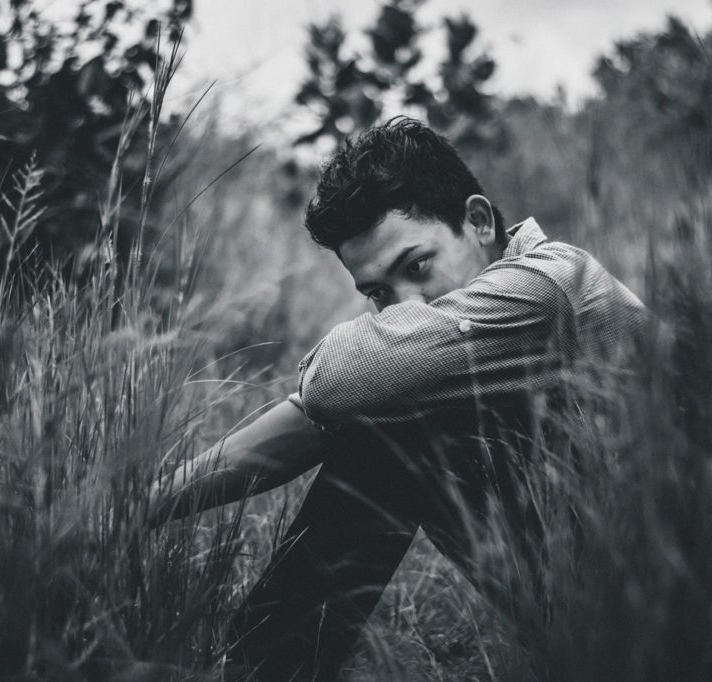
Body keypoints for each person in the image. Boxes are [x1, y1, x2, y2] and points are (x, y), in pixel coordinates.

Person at [147, 117, 647, 680]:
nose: (405, 305)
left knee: (392, 420)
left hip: (676, 613)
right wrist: (144, 507)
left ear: (478, 222)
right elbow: (314, 412)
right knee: (390, 406)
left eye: (417, 267)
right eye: (379, 293)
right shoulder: (456, 342)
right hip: (589, 610)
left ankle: (263, 673)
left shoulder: (551, 285)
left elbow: (334, 382)